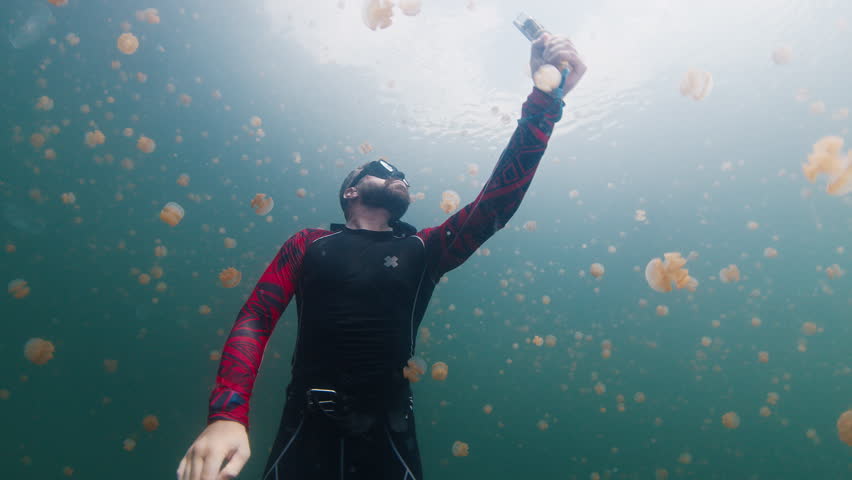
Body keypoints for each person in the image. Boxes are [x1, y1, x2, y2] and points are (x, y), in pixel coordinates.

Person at [177, 32, 586, 480]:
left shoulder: (426, 248)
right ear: (351, 191)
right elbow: (256, 317)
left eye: (404, 176)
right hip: (304, 429)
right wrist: (227, 414)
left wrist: (546, 101)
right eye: (382, 171)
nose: (399, 176)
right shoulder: (306, 243)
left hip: (389, 437)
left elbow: (495, 206)